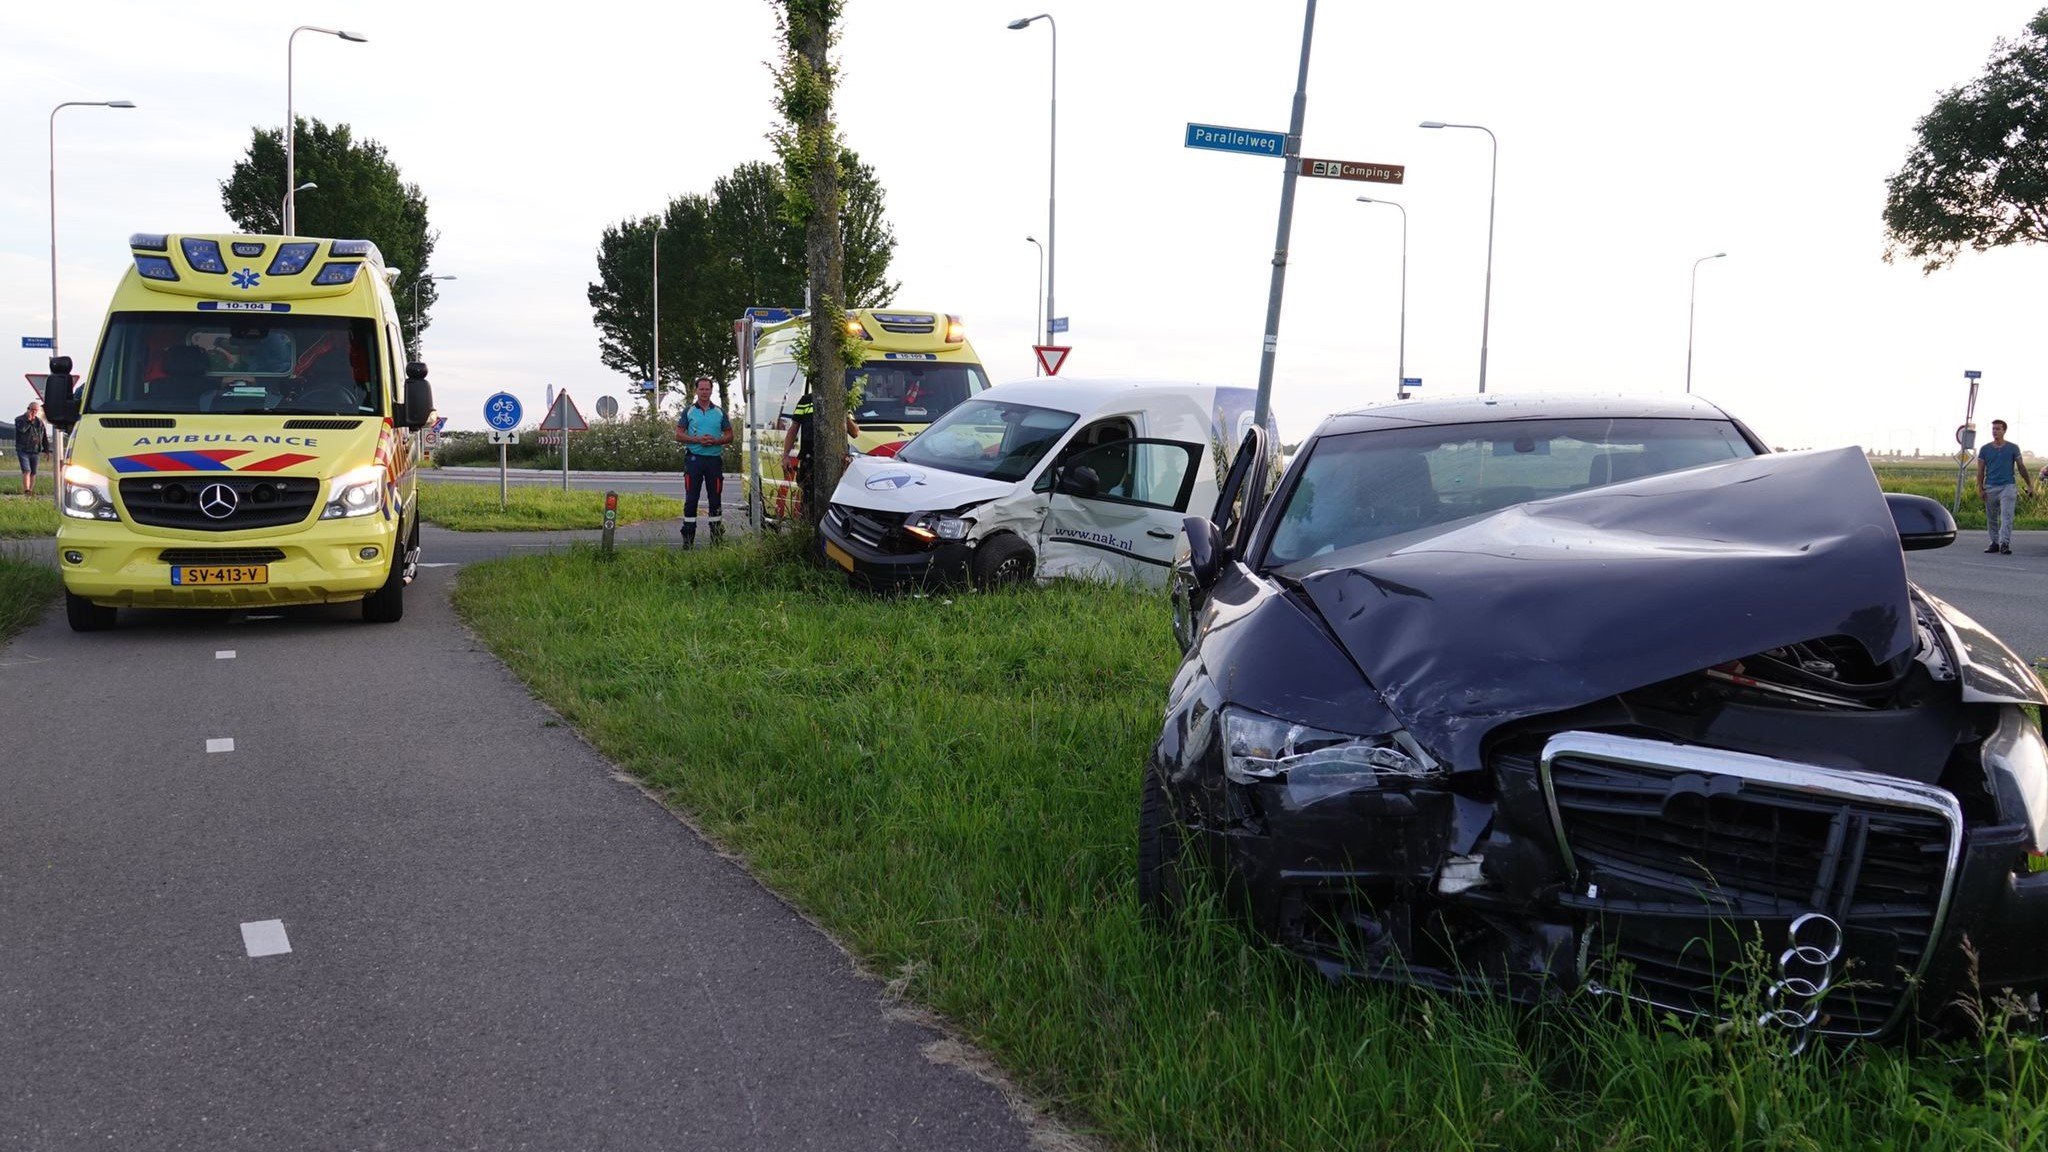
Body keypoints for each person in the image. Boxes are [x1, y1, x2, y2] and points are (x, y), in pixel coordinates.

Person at [674, 376, 733, 547]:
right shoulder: (689, 411)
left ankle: (716, 538)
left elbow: (730, 435)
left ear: (711, 390)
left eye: (707, 389)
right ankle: (688, 538)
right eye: (701, 389)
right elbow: (678, 434)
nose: (704, 392)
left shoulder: (720, 412)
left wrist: (716, 441)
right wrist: (697, 440)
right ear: (696, 391)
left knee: (715, 499)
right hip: (694, 460)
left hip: (714, 460)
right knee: (691, 499)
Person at [781, 390, 861, 512]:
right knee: (808, 503)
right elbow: (793, 428)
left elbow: (855, 432)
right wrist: (785, 455)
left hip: (834, 462)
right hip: (809, 461)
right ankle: (808, 528)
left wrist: (841, 411)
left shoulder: (840, 401)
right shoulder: (806, 401)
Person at [1976, 419, 2035, 555]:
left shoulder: (2013, 448)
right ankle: (1995, 542)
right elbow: (1980, 470)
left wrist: (2029, 485)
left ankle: (2004, 543)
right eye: (1993, 429)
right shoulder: (1985, 449)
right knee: (1992, 517)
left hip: (2008, 486)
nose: (1995, 431)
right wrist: (1980, 488)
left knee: (2006, 515)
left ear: (2004, 431)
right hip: (1990, 486)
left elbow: (2021, 467)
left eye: (1998, 429)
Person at [15, 399, 49, 495]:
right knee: (27, 470)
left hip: (35, 450)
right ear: (28, 409)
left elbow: (44, 436)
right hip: (23, 450)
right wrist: (29, 421)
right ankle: (27, 490)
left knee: (33, 472)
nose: (34, 412)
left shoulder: (40, 422)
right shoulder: (19, 420)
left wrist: (46, 449)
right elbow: (22, 430)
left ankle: (30, 491)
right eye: (32, 409)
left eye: (36, 410)